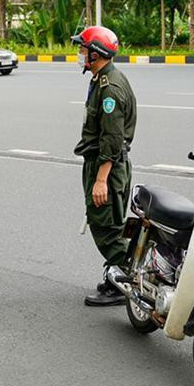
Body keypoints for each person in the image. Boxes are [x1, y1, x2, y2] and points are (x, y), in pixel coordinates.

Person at [72, 26, 137, 306]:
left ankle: (126, 282)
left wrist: (101, 180)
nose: (79, 54)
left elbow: (112, 138)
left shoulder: (110, 88)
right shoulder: (102, 79)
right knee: (111, 225)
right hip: (106, 165)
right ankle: (117, 277)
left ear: (95, 54)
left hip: (107, 168)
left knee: (106, 228)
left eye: (83, 49)